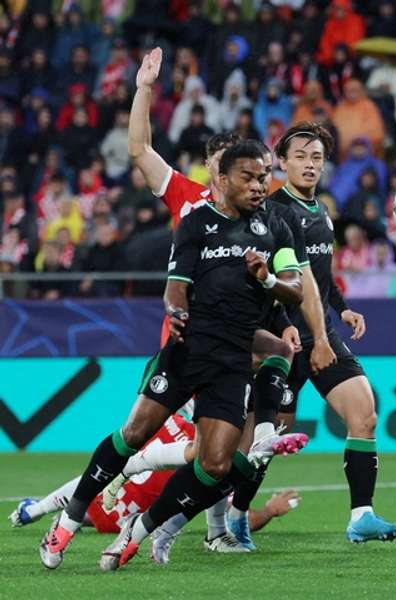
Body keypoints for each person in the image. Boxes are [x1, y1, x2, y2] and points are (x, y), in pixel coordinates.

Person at [37, 141, 306, 571]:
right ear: (222, 180)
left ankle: (143, 527)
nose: (260, 185)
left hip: (234, 358)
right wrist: (175, 310)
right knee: (134, 435)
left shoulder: (278, 228)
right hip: (188, 349)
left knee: (215, 464)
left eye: (264, 177)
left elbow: (295, 287)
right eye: (249, 177)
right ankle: (67, 520)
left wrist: (268, 276)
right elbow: (175, 283)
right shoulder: (197, 222)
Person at [229, 122, 396, 544]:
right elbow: (276, 283)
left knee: (364, 414)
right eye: (301, 158)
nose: (310, 165)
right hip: (286, 339)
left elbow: (319, 279)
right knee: (266, 440)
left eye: (317, 158)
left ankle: (361, 516)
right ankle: (234, 516)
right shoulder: (273, 212)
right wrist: (295, 331)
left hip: (322, 332)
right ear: (283, 163)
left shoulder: (320, 210)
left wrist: (342, 310)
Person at [9, 407, 300, 547]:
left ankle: (35, 509)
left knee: (97, 479)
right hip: (124, 521)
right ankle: (213, 535)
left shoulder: (165, 416)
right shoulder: (212, 452)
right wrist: (270, 511)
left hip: (107, 499)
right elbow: (238, 514)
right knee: (211, 485)